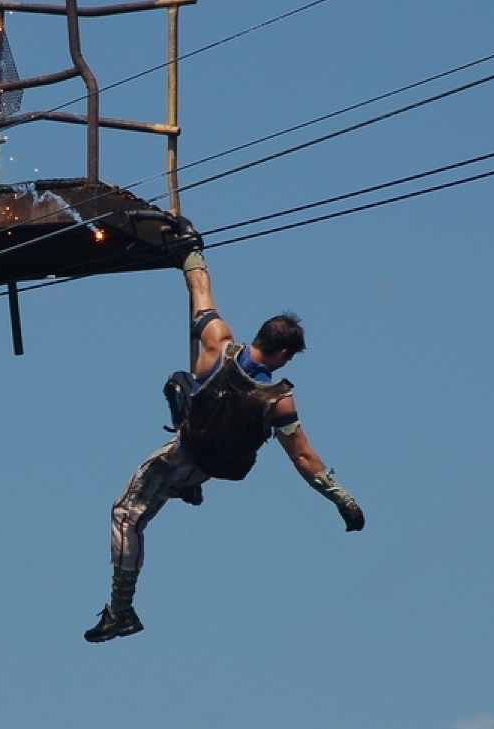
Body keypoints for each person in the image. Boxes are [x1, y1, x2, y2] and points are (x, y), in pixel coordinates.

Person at [84, 241, 365, 643]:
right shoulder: (278, 400)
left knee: (125, 516)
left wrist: (189, 253)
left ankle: (121, 611)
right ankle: (187, 486)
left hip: (188, 454)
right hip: (216, 464)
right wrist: (342, 500)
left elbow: (199, 291)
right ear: (283, 352)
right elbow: (302, 456)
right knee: (179, 391)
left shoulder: (217, 343)